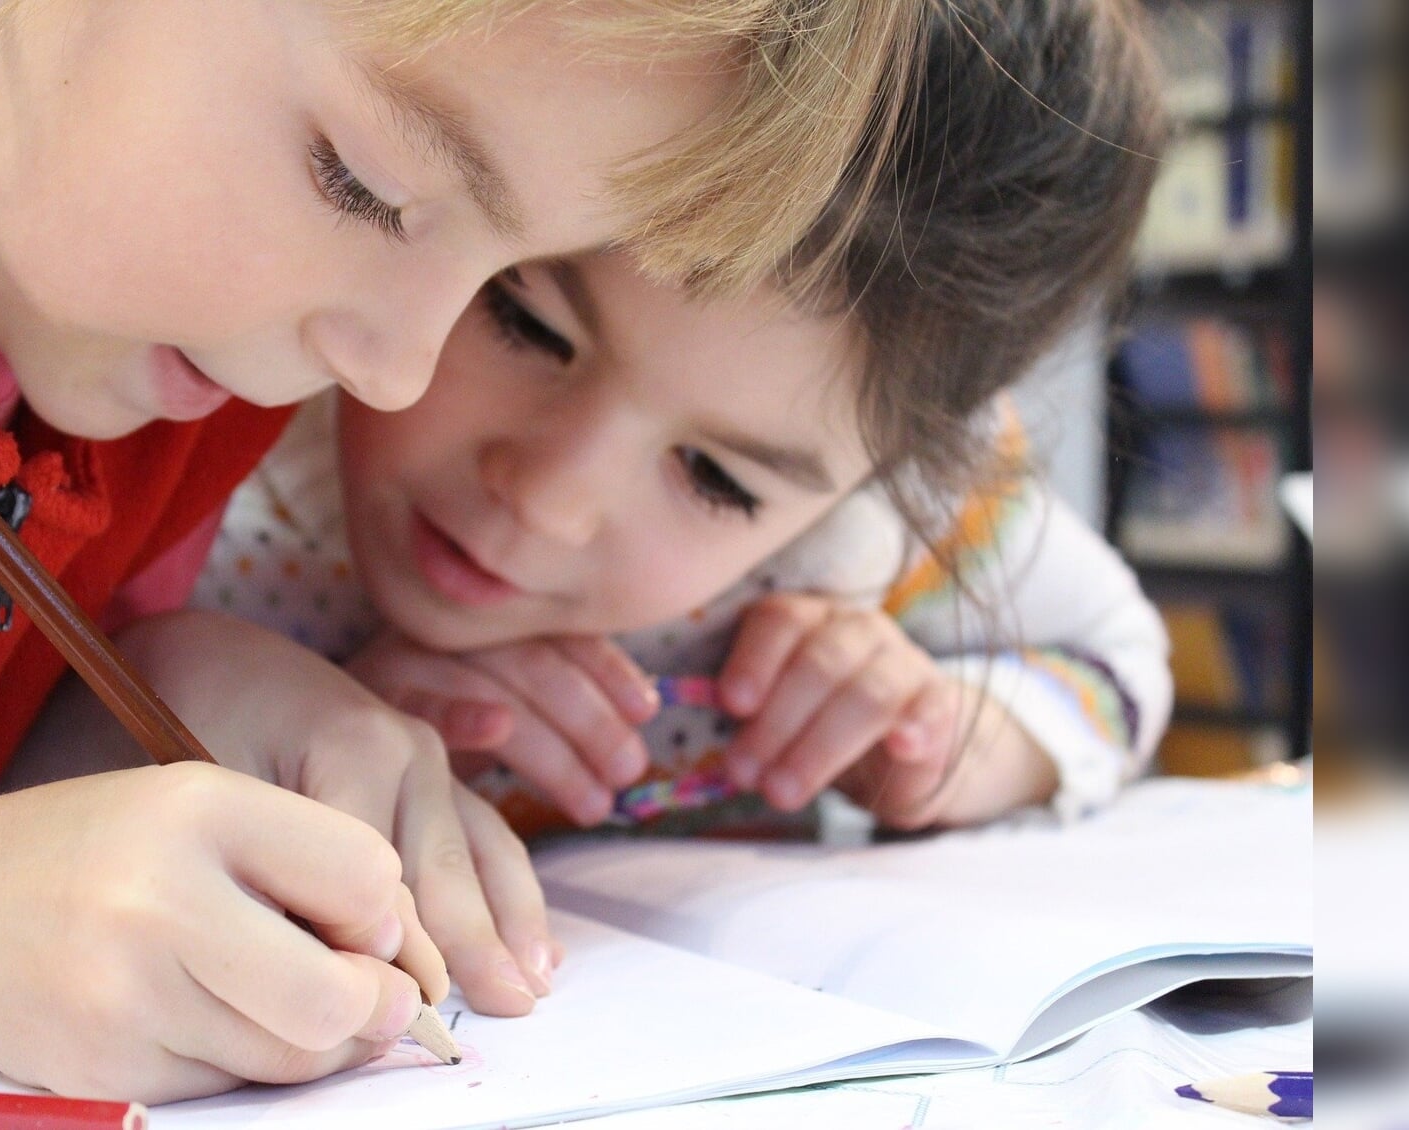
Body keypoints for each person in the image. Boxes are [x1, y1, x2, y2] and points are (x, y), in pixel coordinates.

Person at [0, 0, 922, 1104]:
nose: (400, 371)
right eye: (369, 184)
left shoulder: (177, 373)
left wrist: (140, 706)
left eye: (505, 272)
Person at [188, 0, 1172, 849]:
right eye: (525, 322)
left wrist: (960, 738)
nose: (549, 498)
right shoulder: (216, 399)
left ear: (886, 475)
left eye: (717, 479)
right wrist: (260, 718)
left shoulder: (886, 533)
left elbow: (1118, 658)